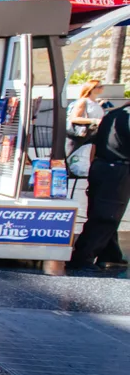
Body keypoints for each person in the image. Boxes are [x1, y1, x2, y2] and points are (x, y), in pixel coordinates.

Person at [69, 104, 130, 270]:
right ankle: (82, 257)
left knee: (103, 212)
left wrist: (92, 166)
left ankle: (111, 255)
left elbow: (94, 144)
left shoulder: (115, 114)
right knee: (106, 217)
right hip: (118, 169)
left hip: (101, 166)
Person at [68, 79, 105, 153]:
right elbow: (74, 118)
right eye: (100, 86)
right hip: (81, 134)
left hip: (93, 134)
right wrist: (94, 120)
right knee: (72, 155)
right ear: (92, 88)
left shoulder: (96, 102)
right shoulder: (83, 101)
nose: (102, 88)